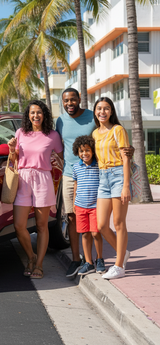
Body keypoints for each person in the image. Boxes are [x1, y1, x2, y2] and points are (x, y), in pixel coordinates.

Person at [55, 88, 134, 278]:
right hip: (83, 175)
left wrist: (125, 182)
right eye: (66, 100)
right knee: (87, 221)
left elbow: (123, 152)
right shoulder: (70, 124)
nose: (102, 112)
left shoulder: (107, 124)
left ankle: (113, 263)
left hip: (106, 175)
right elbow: (60, 145)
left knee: (110, 223)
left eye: (106, 109)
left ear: (80, 99)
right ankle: (85, 258)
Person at [7, 100, 63, 279]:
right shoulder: (20, 133)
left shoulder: (52, 135)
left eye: (39, 112)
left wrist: (58, 164)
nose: (36, 116)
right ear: (28, 115)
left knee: (41, 225)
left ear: (44, 114)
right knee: (19, 225)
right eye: (32, 113)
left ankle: (39, 265)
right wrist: (10, 149)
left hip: (43, 179)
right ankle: (31, 257)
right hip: (23, 178)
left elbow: (62, 158)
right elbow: (13, 160)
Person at [92, 97, 131, 280]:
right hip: (102, 177)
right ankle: (123, 253)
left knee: (118, 223)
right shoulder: (95, 133)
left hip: (117, 176)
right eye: (99, 108)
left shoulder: (118, 130)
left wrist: (125, 186)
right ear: (95, 111)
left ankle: (119, 265)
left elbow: (126, 159)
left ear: (111, 111)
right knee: (101, 225)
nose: (102, 112)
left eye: (106, 108)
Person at [72, 135, 105, 275]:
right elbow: (75, 184)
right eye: (81, 151)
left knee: (96, 233)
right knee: (85, 234)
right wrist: (74, 201)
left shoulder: (98, 165)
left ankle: (100, 259)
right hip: (80, 205)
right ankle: (88, 262)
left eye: (87, 150)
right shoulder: (76, 166)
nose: (84, 153)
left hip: (95, 206)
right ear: (77, 152)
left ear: (92, 151)